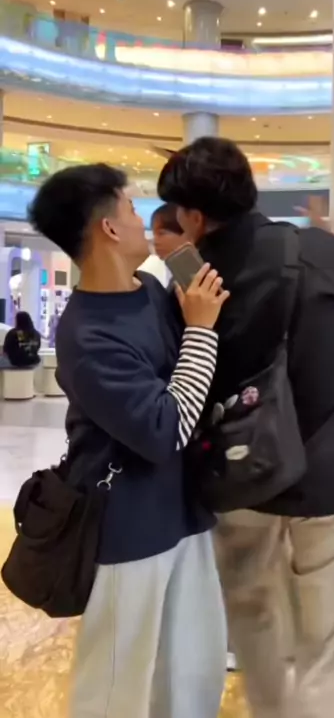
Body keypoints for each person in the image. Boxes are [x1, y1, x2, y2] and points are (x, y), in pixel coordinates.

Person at [157, 136, 334, 718]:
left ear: (193, 217)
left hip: (239, 480)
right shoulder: (312, 249)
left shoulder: (186, 279)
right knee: (330, 650)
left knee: (254, 622)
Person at [28, 163, 229, 718]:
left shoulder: (151, 290)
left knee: (192, 669)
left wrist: (199, 310)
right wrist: (200, 329)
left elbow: (193, 377)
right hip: (127, 525)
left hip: (184, 512)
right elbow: (165, 430)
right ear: (110, 229)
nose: (145, 222)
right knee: (117, 683)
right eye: (132, 209)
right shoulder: (86, 335)